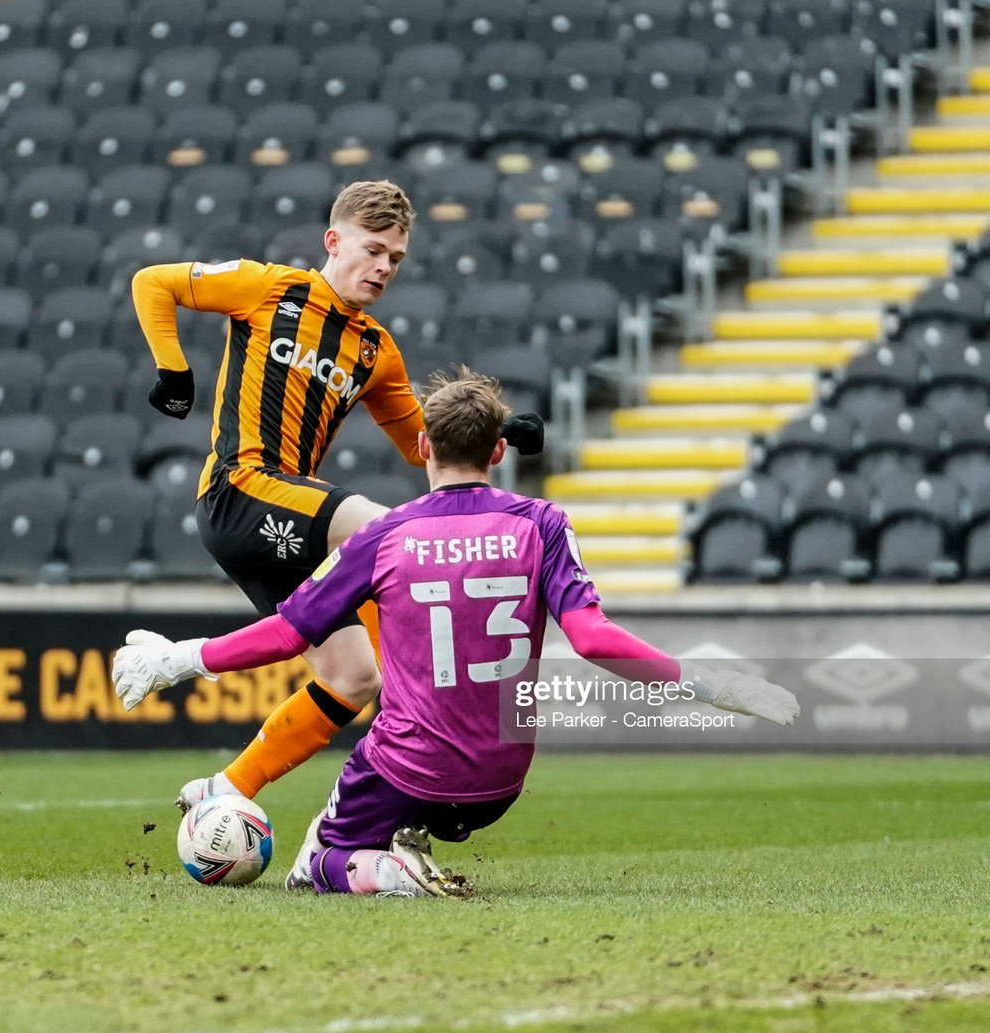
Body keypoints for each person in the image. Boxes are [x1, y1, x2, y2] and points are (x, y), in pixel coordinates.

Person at [112, 369, 800, 898]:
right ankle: (412, 841)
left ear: (421, 446)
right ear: (499, 449)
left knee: (313, 866)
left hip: (405, 767)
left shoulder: (386, 535)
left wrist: (183, 657)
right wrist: (717, 685)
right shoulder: (544, 523)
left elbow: (290, 633)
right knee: (434, 796)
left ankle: (389, 869)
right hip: (500, 781)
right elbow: (594, 640)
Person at [131, 180, 545, 812]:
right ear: (333, 241)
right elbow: (152, 282)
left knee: (354, 678)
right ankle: (430, 713)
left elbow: (420, 444)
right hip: (240, 489)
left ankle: (225, 790)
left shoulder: (376, 350)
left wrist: (496, 427)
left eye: (396, 259)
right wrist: (172, 369)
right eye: (373, 250)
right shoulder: (269, 288)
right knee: (394, 533)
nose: (383, 267)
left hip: (289, 520)